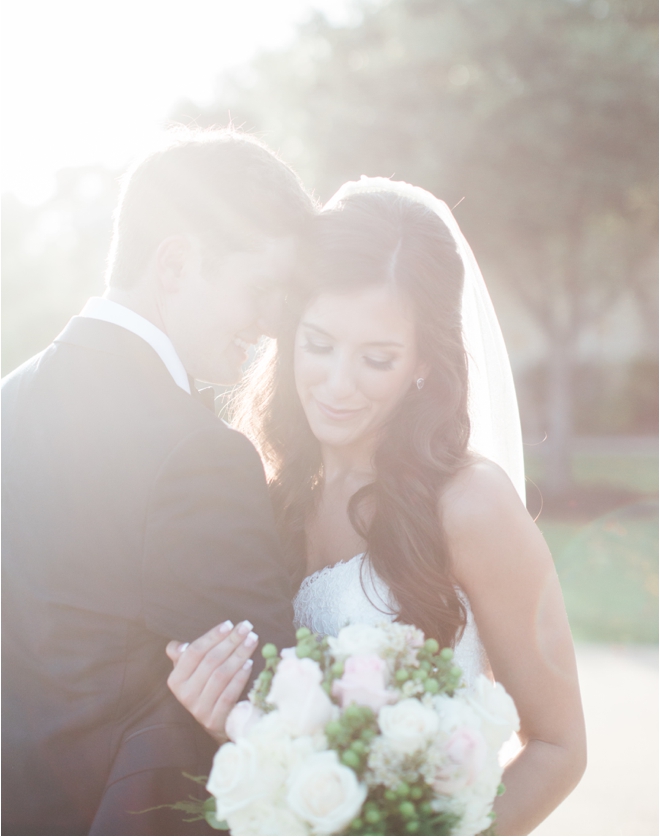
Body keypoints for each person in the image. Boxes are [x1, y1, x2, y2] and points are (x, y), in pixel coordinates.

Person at [168, 178, 587, 837]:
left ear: (424, 361)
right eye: (319, 344)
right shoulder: (264, 494)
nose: (337, 384)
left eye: (378, 359)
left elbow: (560, 746)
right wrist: (221, 713)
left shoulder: (472, 504)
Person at [1, 129, 315, 836]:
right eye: (260, 289)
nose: (270, 325)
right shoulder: (199, 454)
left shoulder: (9, 400)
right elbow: (276, 711)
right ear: (175, 264)